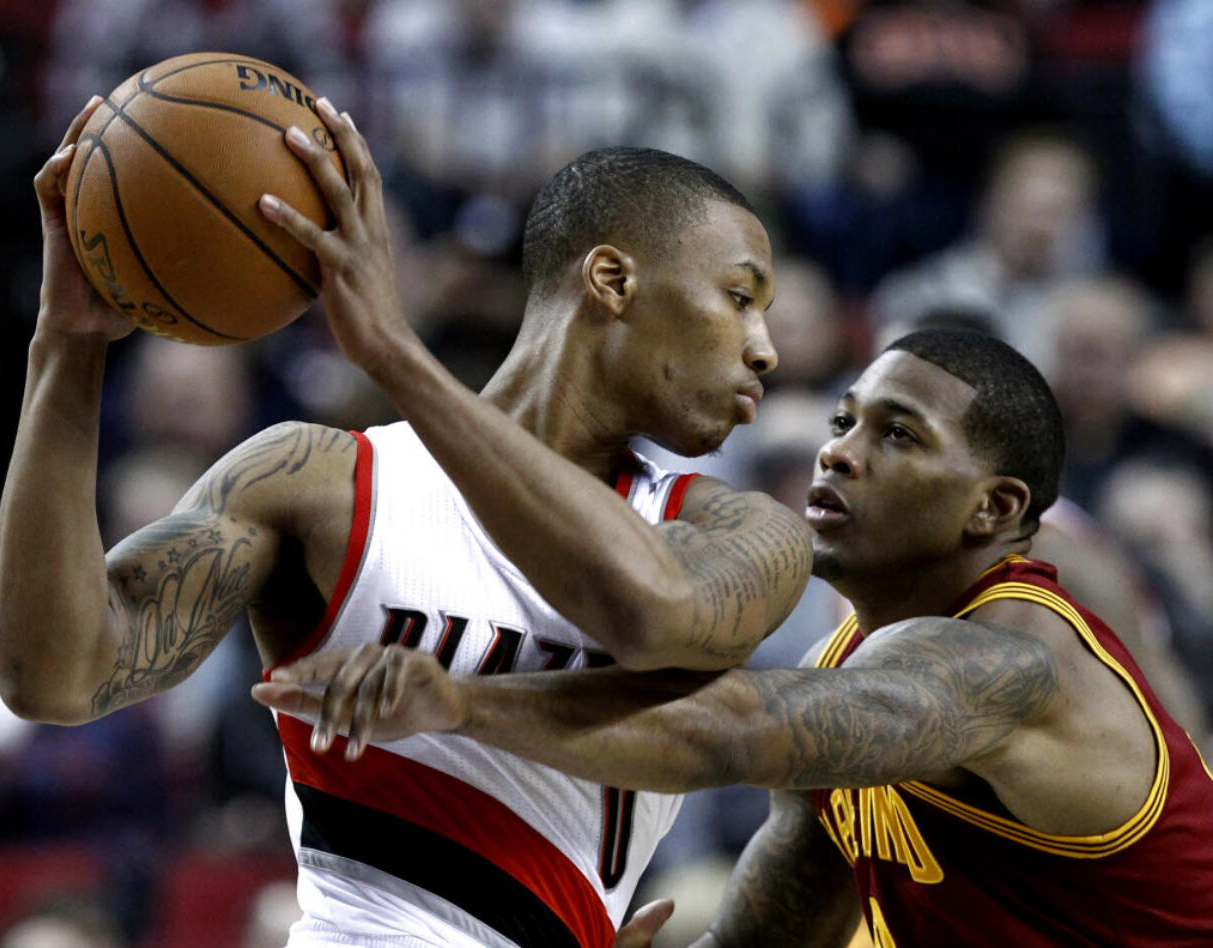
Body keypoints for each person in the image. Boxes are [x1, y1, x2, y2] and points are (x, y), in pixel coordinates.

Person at [0, 96, 811, 947]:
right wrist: (68, 345)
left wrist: (391, 350)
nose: (765, 347)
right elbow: (55, 676)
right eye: (739, 296)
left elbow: (651, 612)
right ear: (612, 281)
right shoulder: (320, 481)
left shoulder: (744, 534)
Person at [258, 329, 1213, 945]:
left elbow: (734, 731)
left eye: (898, 435)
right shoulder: (844, 674)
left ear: (994, 507)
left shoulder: (1012, 661)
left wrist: (461, 701)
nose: (839, 450)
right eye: (843, 421)